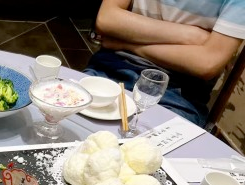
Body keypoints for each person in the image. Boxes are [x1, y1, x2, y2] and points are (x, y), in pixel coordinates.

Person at [83, 0, 245, 127]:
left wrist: (125, 43)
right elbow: (107, 19)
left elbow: (206, 64)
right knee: (74, 127)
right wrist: (190, 35)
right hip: (113, 68)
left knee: (145, 155)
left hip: (178, 92)